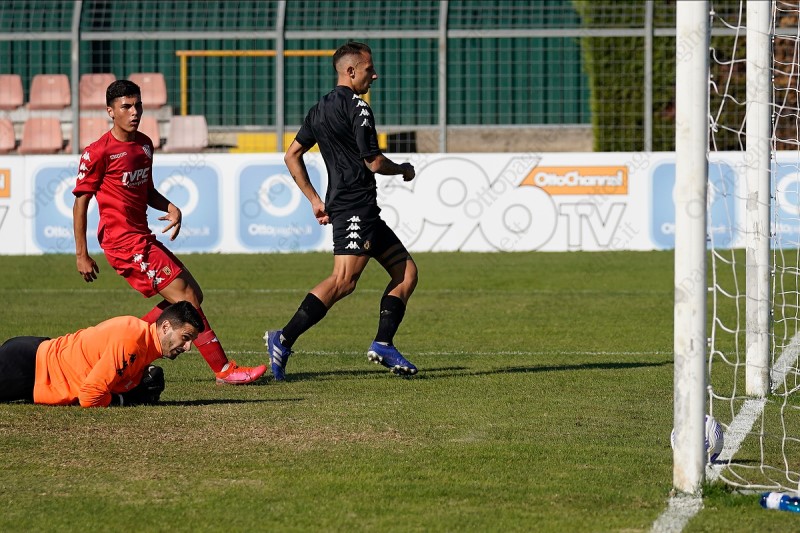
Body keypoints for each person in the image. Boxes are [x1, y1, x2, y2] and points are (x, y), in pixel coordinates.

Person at [72, 79, 266, 385]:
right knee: (187, 298)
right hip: (123, 243)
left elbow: (146, 189)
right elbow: (80, 203)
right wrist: (81, 254)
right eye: (126, 107)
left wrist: (170, 206)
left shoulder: (144, 145)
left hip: (142, 237)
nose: (134, 112)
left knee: (193, 296)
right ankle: (224, 370)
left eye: (138, 105)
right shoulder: (98, 152)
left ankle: (122, 348)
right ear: (110, 111)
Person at [264, 41, 419, 380]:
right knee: (343, 281)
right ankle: (283, 338)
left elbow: (291, 155)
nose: (374, 75)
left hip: (360, 209)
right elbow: (373, 161)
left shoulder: (318, 109)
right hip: (354, 208)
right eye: (368, 69)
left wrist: (314, 200)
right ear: (350, 71)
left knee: (406, 272)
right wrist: (403, 169)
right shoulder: (358, 108)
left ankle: (383, 343)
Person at [0, 301, 203, 407]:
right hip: (28, 368)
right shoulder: (132, 343)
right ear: (165, 327)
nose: (188, 347)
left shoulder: (142, 338)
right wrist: (125, 400)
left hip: (37, 356)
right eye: (185, 337)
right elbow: (89, 397)